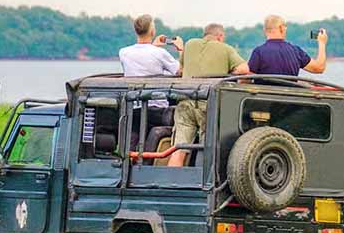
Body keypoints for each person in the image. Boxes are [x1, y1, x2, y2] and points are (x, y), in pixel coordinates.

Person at [167, 23, 249, 167]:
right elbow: (244, 69)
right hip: (209, 104)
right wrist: (230, 74)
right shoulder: (225, 48)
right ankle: (202, 185)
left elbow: (180, 70)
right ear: (220, 36)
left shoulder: (190, 44)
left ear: (205, 34)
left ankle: (169, 183)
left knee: (178, 149)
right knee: (207, 148)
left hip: (186, 101)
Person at [247, 15, 327, 76]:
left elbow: (246, 80)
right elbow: (319, 68)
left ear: (264, 30)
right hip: (290, 97)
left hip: (264, 97)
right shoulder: (296, 51)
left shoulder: (258, 52)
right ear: (281, 28)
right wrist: (322, 43)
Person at [118, 14, 183, 77]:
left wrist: (153, 46)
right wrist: (180, 49)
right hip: (155, 88)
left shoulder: (123, 53)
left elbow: (144, 55)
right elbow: (180, 72)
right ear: (152, 32)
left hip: (131, 88)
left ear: (136, 31)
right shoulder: (160, 53)